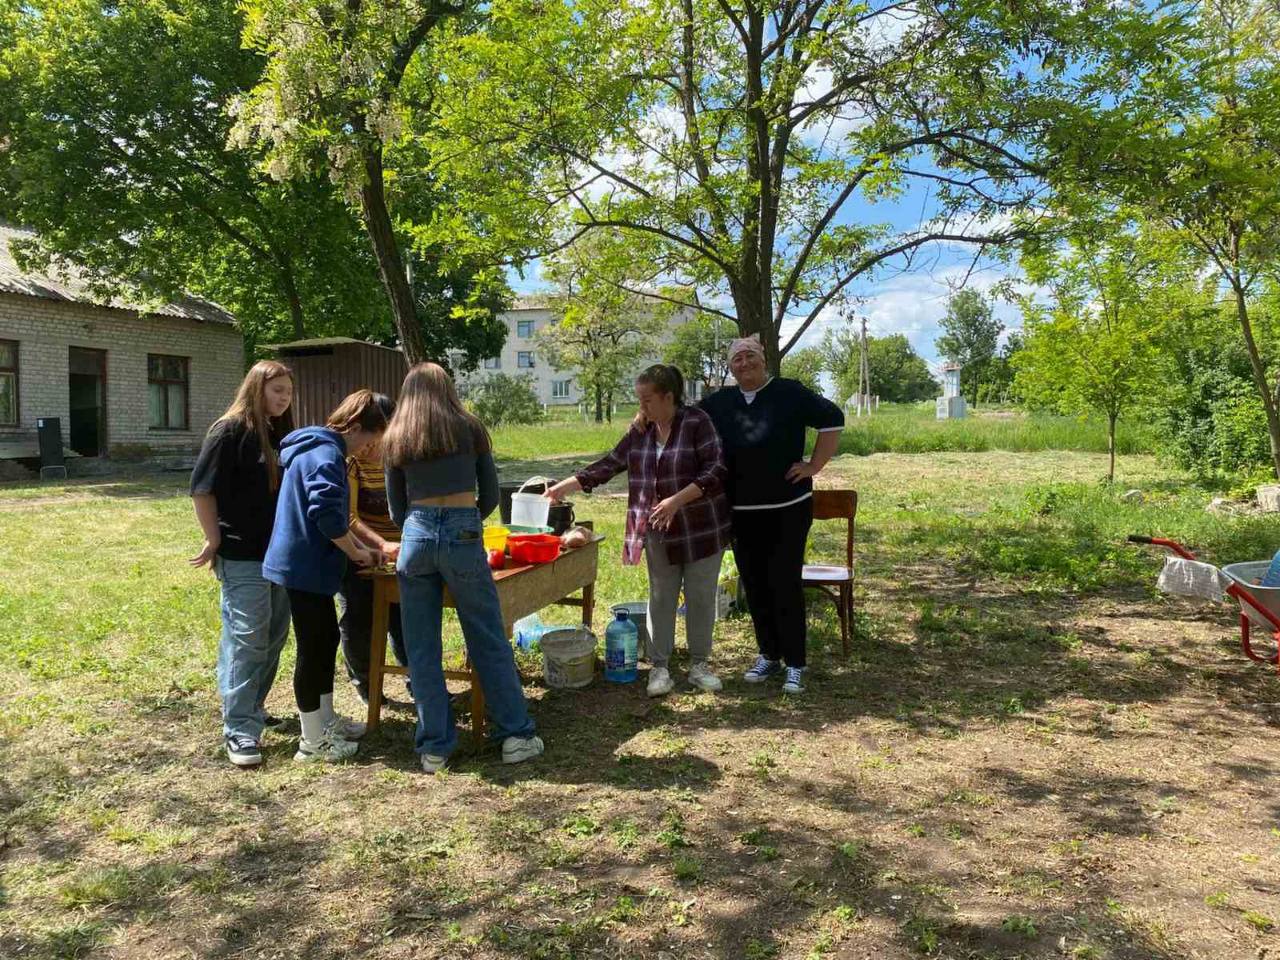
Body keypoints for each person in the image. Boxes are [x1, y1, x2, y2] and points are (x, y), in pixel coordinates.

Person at [382, 362, 544, 774]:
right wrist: (463, 523)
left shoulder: (397, 434)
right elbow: (489, 494)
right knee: (487, 636)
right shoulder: (469, 427)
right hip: (463, 532)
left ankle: (434, 747)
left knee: (421, 647)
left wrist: (422, 527)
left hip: (415, 536)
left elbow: (396, 508)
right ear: (447, 388)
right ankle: (515, 736)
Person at [546, 364, 731, 698]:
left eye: (647, 400)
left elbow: (716, 469)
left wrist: (676, 500)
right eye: (640, 400)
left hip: (700, 529)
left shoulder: (696, 422)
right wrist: (563, 488)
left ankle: (699, 665)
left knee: (701, 598)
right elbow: (610, 464)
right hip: (659, 530)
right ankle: (660, 668)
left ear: (668, 397)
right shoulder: (641, 431)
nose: (641, 407)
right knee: (660, 597)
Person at [699, 335, 844, 695]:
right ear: (729, 367)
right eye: (737, 359)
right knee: (755, 584)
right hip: (741, 512)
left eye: (750, 357)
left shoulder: (789, 392)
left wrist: (815, 465)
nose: (744, 364)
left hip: (787, 509)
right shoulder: (719, 403)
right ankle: (769, 655)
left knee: (785, 582)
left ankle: (795, 662)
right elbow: (682, 422)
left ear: (764, 361)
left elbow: (833, 419)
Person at [263, 390, 388, 762]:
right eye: (371, 439)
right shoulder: (326, 455)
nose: (369, 450)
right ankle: (312, 742)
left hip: (305, 564)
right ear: (354, 427)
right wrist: (358, 552)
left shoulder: (319, 448)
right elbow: (328, 517)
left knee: (326, 638)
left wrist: (357, 549)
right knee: (313, 648)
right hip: (302, 566)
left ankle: (325, 721)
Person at [190, 360, 296, 768]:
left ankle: (252, 706)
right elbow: (202, 490)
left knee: (272, 635)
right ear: (256, 389)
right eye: (277, 391)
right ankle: (240, 729)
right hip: (242, 554)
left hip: (278, 553)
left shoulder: (279, 430)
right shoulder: (229, 430)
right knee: (248, 637)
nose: (284, 398)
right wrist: (213, 538)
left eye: (287, 391)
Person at [336, 393, 409, 704]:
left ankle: (417, 680)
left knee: (406, 619)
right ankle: (368, 687)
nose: (375, 444)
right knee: (358, 618)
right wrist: (379, 544)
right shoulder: (350, 461)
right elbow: (347, 516)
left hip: (403, 554)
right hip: (361, 554)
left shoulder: (403, 457)